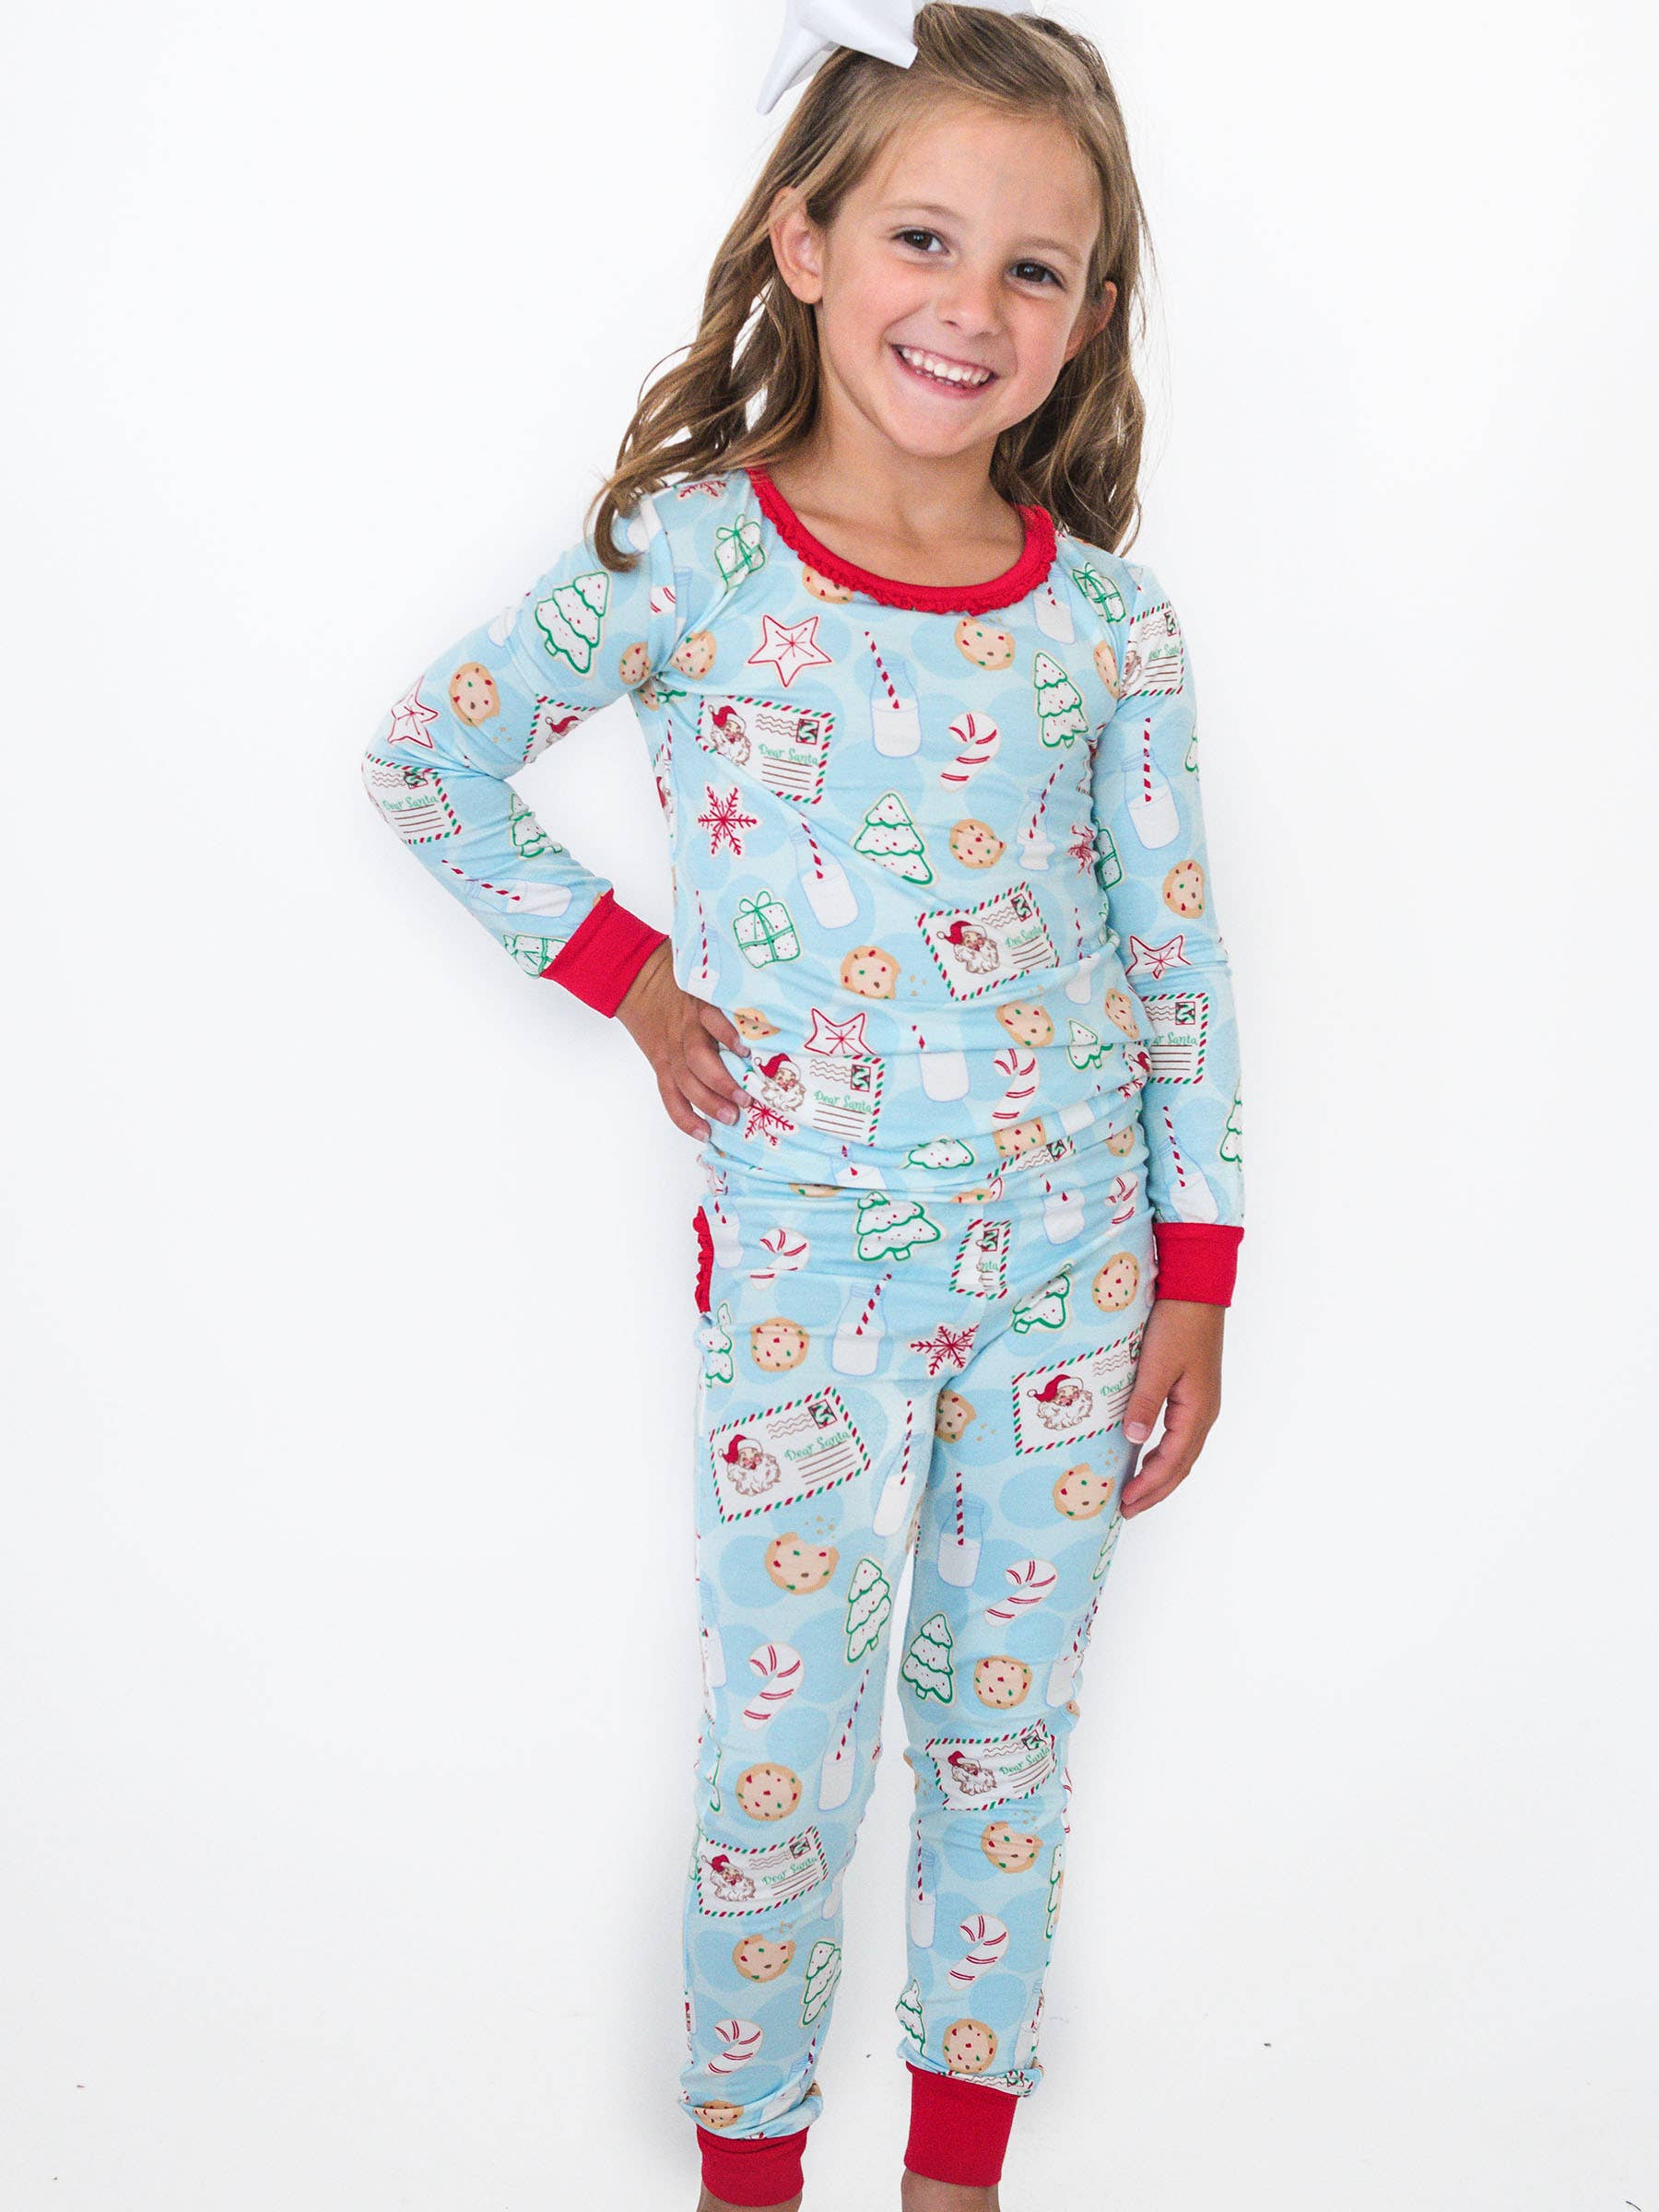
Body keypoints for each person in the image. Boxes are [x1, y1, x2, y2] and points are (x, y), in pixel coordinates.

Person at [359, 8, 1245, 2206]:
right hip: (810, 1273)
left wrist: (1198, 1275)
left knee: (1005, 1741)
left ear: (1089, 317)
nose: (972, 304)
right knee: (784, 1753)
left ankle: (956, 2179)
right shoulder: (692, 560)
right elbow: (432, 758)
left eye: (1034, 267)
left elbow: (1176, 969)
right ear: (805, 245)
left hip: (1074, 1274)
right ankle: (750, 2179)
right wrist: (630, 978)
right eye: (924, 237)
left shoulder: (1111, 629)